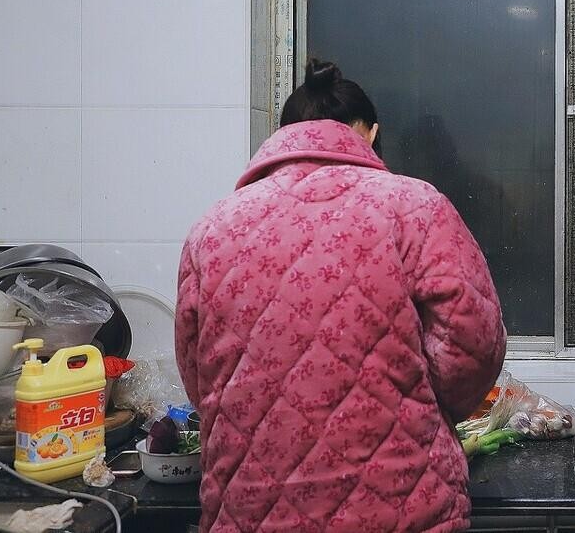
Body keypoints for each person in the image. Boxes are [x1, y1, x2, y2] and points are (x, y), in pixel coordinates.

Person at [176, 59, 507, 533]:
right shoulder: (415, 206)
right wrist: (416, 405)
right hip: (400, 504)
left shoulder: (211, 229)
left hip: (251, 507)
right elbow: (473, 343)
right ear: (370, 133)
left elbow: (199, 373)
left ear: (284, 135)